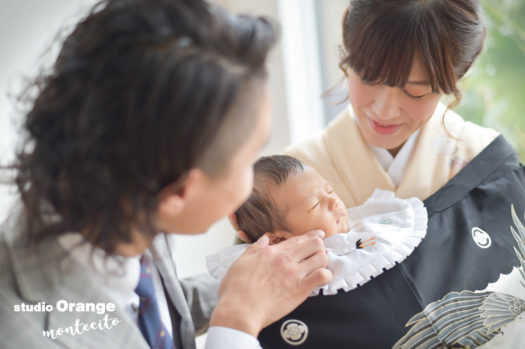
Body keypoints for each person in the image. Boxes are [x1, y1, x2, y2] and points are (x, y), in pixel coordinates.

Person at [0, 1, 332, 348]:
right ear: (178, 194)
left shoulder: (126, 187)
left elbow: (142, 320)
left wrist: (250, 288)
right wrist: (235, 327)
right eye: (250, 159)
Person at [255, 0, 525, 348]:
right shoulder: (279, 192)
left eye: (415, 90)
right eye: (367, 76)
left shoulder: (489, 167)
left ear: (454, 79)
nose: (383, 109)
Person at [207, 154, 428, 297]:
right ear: (279, 240)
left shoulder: (371, 222)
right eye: (314, 205)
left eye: (329, 190)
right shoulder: (300, 277)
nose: (333, 201)